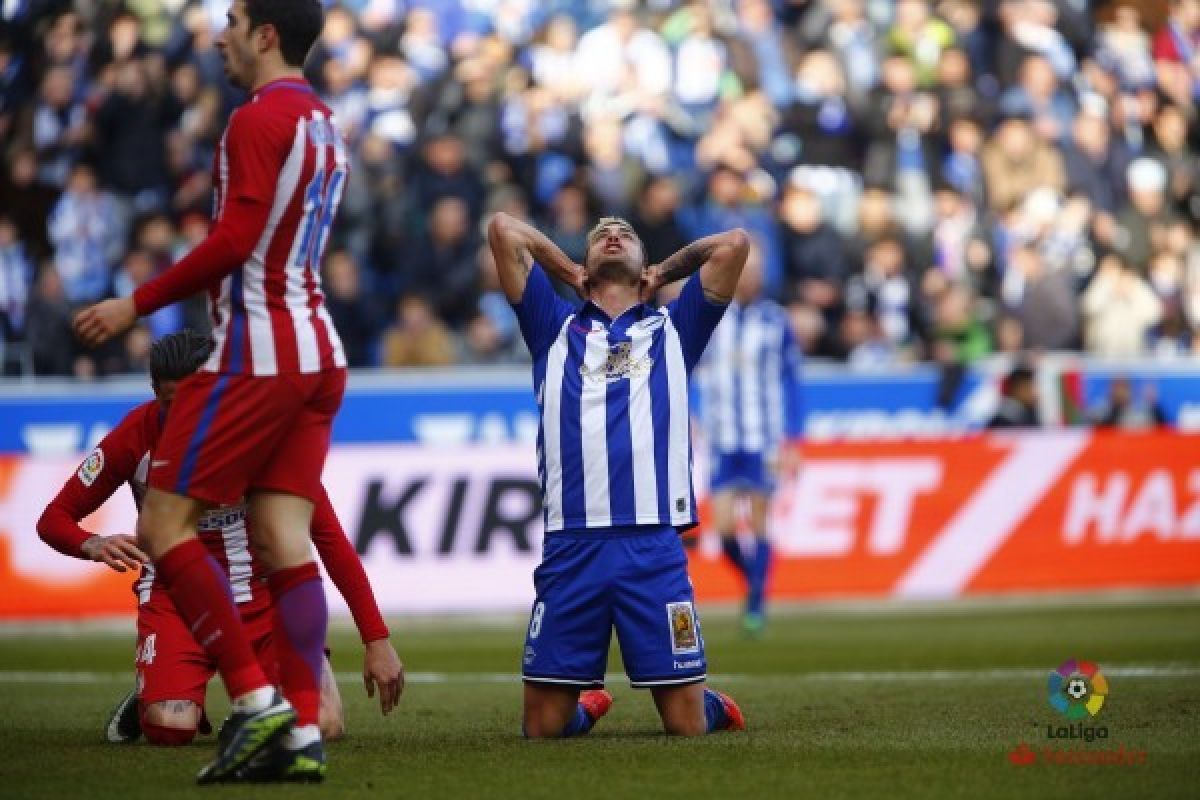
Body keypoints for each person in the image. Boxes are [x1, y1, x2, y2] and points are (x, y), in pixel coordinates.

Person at [73, 0, 349, 783]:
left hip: (259, 351)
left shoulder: (255, 120)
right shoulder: (326, 123)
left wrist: (136, 301)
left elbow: (234, 241)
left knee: (164, 523)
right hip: (319, 348)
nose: (219, 34)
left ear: (265, 34)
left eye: (230, 19)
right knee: (284, 540)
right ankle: (297, 732)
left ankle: (258, 703)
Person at [36, 331, 404, 749]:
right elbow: (53, 520)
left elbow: (329, 538)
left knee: (324, 724)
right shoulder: (134, 436)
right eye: (172, 404)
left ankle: (247, 716)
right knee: (169, 729)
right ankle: (152, 696)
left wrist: (376, 640)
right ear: (155, 394)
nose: (185, 417)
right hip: (178, 602)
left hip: (265, 600)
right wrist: (91, 543)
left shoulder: (266, 436)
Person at [487, 210, 749, 739]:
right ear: (585, 262)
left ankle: (710, 705)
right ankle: (590, 705)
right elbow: (502, 230)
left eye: (626, 233)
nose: (612, 234)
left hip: (651, 546)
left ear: (641, 261)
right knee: (542, 730)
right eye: (600, 234)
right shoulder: (551, 324)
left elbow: (734, 245)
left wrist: (663, 272)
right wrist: (568, 270)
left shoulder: (677, 327)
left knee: (686, 726)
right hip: (572, 544)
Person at [694, 245, 802, 636]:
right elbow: (686, 367)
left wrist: (793, 440)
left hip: (763, 437)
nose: (750, 277)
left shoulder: (776, 321)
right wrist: (689, 412)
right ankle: (756, 587)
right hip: (723, 437)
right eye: (745, 270)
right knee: (723, 531)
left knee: (759, 522)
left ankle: (756, 604)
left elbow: (792, 381)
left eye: (756, 270)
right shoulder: (711, 320)